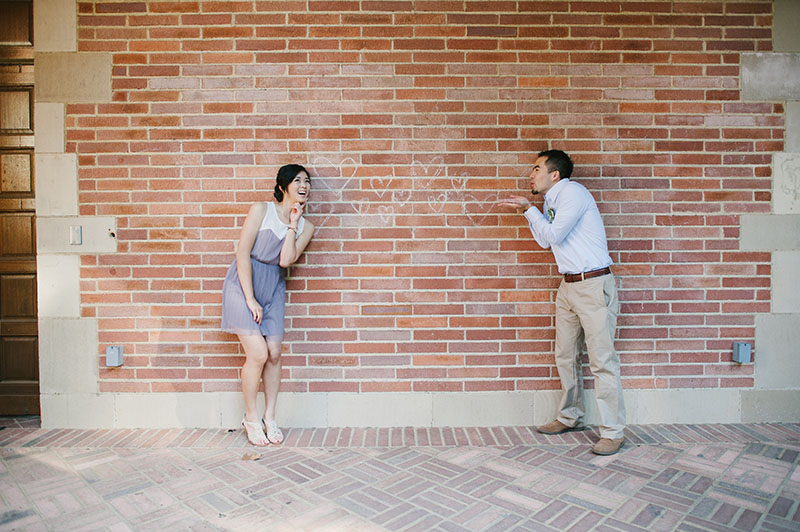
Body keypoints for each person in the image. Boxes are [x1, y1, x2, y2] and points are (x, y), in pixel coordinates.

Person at [499, 149, 626, 456]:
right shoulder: (553, 198)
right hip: (568, 286)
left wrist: (530, 209)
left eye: (536, 169)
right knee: (565, 355)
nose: (531, 174)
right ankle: (571, 417)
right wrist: (532, 209)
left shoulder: (572, 193)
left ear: (554, 174)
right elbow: (546, 240)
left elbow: (553, 234)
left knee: (602, 361)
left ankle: (613, 431)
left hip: (593, 285)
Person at [221, 164, 314, 446]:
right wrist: (249, 298)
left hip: (273, 286)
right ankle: (251, 417)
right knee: (258, 354)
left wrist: (294, 224)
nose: (304, 186)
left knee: (274, 353)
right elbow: (242, 253)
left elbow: (286, 260)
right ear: (283, 185)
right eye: (297, 180)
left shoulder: (306, 227)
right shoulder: (260, 210)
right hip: (242, 284)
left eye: (308, 182)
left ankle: (269, 417)